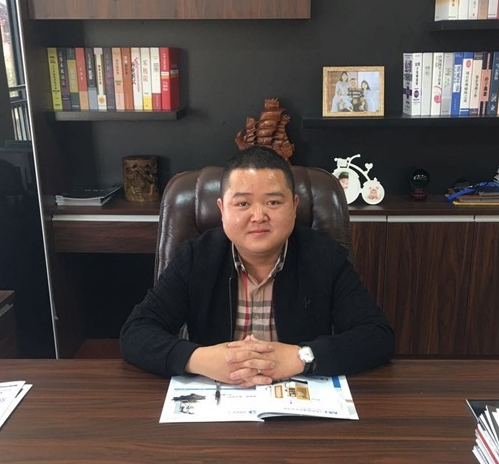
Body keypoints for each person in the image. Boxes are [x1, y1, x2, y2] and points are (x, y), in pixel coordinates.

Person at [120, 146, 395, 387]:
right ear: (222, 210)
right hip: (217, 401)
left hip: (299, 401)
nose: (259, 216)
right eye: (242, 203)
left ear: (294, 206)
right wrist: (200, 359)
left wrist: (302, 356)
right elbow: (136, 332)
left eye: (273, 202)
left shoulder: (325, 257)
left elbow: (377, 336)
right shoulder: (195, 258)